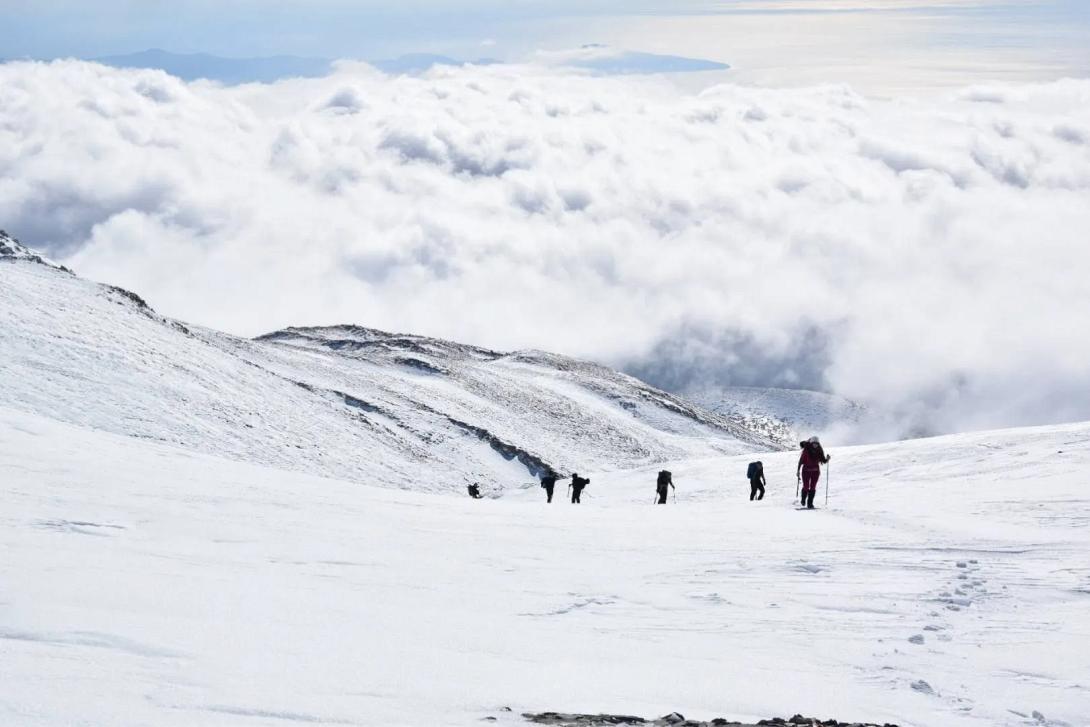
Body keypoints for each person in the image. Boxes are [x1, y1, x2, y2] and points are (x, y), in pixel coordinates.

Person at [796, 436, 830, 509]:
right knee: (806, 486)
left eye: (817, 444)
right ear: (811, 443)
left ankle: (810, 503)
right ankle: (803, 499)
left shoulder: (819, 451)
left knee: (813, 487)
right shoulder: (806, 451)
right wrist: (798, 471)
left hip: (815, 472)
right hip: (806, 471)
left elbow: (823, 461)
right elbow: (801, 461)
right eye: (814, 443)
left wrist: (827, 459)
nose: (815, 445)